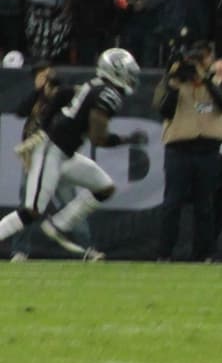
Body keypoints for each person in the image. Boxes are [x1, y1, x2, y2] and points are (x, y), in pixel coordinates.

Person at [0, 49, 146, 257]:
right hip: (51, 151)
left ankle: (59, 224)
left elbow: (61, 95)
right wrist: (127, 140)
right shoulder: (106, 93)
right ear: (116, 71)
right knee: (31, 211)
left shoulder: (95, 85)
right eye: (128, 72)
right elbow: (99, 139)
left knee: (104, 188)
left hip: (65, 154)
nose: (132, 78)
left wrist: (47, 124)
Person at [153, 40, 222, 261]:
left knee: (205, 206)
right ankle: (164, 253)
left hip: (208, 150)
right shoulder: (173, 82)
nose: (196, 66)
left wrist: (205, 79)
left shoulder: (215, 81)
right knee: (172, 204)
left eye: (202, 60)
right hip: (179, 149)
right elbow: (163, 109)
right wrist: (173, 81)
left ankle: (203, 254)